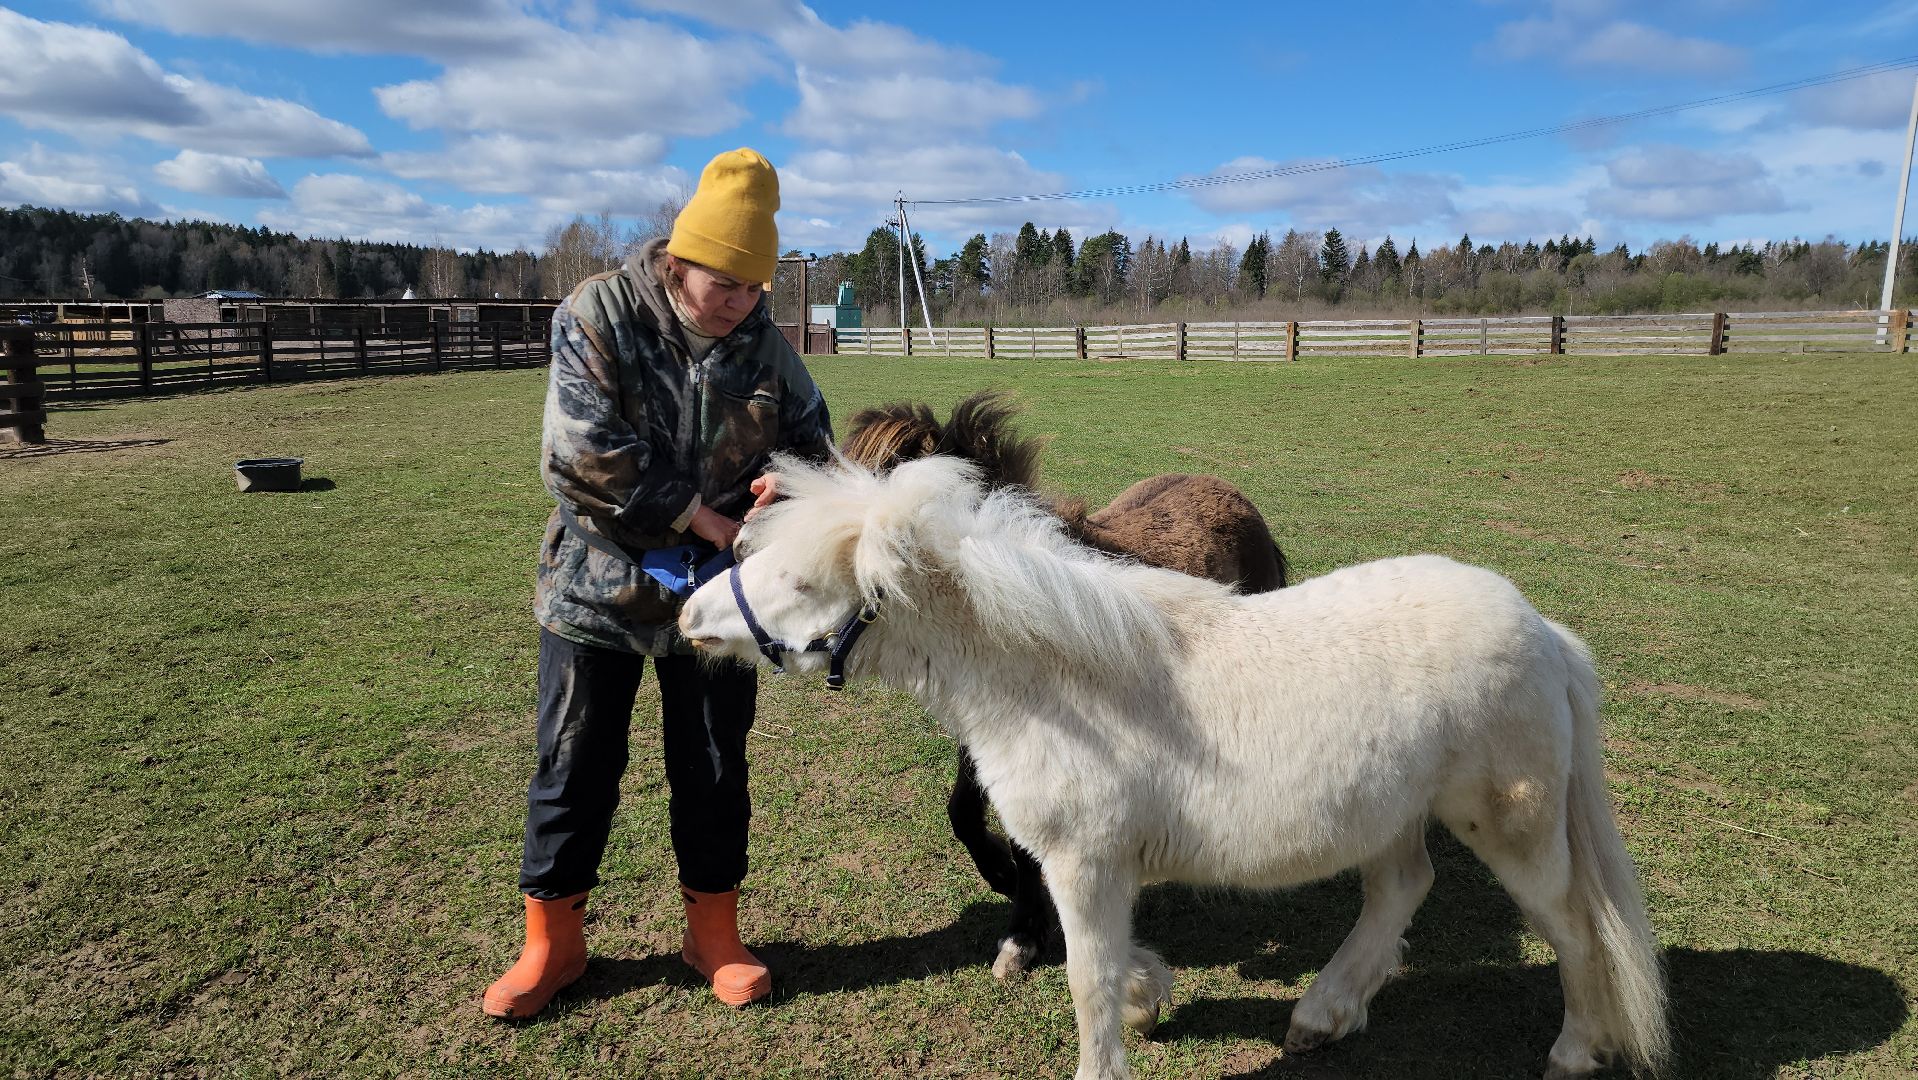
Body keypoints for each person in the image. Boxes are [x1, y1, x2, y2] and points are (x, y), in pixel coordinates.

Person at [483, 148, 833, 1020]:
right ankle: (552, 946)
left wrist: (785, 482)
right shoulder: (597, 310)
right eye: (726, 282)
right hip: (592, 595)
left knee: (714, 767)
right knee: (573, 764)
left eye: (754, 287)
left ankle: (713, 934)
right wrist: (696, 516)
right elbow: (577, 453)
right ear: (679, 261)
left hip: (712, 603)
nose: (741, 302)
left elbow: (815, 444)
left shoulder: (765, 347)